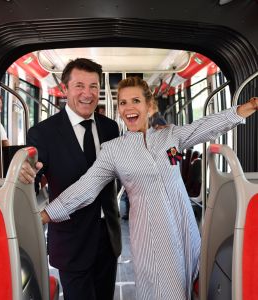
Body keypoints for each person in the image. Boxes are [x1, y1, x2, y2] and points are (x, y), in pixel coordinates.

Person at [39, 76, 258, 300]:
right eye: (123, 103)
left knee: (192, 285)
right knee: (166, 292)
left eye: (135, 100)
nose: (129, 108)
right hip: (153, 234)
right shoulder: (113, 150)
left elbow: (204, 127)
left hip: (185, 228)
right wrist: (45, 214)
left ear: (149, 106)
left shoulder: (169, 136)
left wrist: (246, 108)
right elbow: (86, 187)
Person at [19, 58, 121, 300]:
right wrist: (26, 172)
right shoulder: (43, 133)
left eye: (94, 86)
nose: (88, 94)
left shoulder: (111, 128)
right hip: (71, 241)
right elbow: (33, 176)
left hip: (108, 238)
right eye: (79, 86)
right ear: (64, 89)